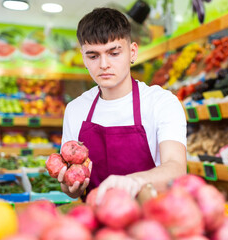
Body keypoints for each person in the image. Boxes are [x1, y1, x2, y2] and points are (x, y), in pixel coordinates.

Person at [57, 7, 187, 200]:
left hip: (152, 220)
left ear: (132, 52)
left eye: (114, 53)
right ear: (83, 57)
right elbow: (71, 184)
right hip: (98, 221)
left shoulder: (162, 102)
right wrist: (70, 188)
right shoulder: (76, 110)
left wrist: (134, 182)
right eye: (93, 56)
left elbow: (176, 168)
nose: (103, 64)